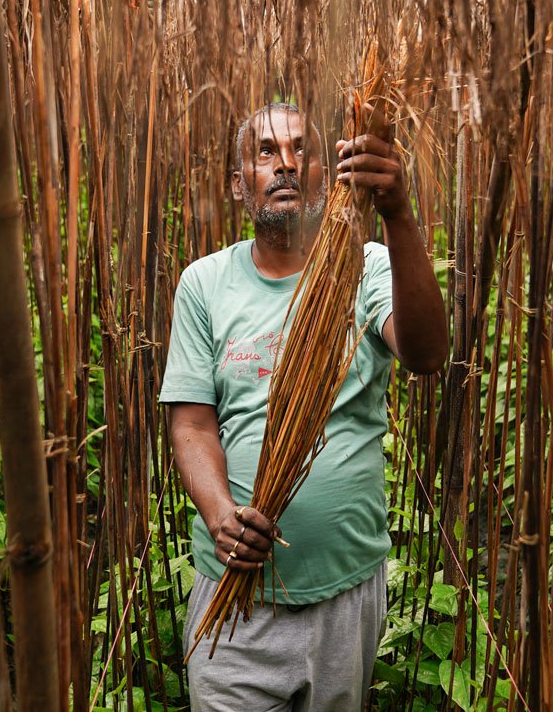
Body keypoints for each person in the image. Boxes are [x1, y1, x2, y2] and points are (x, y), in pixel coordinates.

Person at [159, 101, 448, 709]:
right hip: (234, 601)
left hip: (345, 596)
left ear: (328, 174)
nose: (285, 164)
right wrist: (220, 517)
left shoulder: (365, 268)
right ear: (240, 184)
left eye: (301, 150)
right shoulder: (205, 283)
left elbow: (426, 355)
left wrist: (397, 213)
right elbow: (189, 423)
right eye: (265, 152)